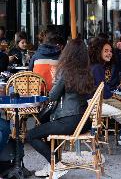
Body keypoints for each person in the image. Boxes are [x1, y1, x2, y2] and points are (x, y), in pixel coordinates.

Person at [26, 39, 94, 178]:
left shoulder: (66, 71)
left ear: (68, 53)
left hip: (69, 120)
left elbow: (53, 96)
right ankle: (51, 164)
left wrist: (54, 79)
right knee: (46, 125)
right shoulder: (87, 71)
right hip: (84, 121)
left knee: (30, 135)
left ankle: (56, 164)